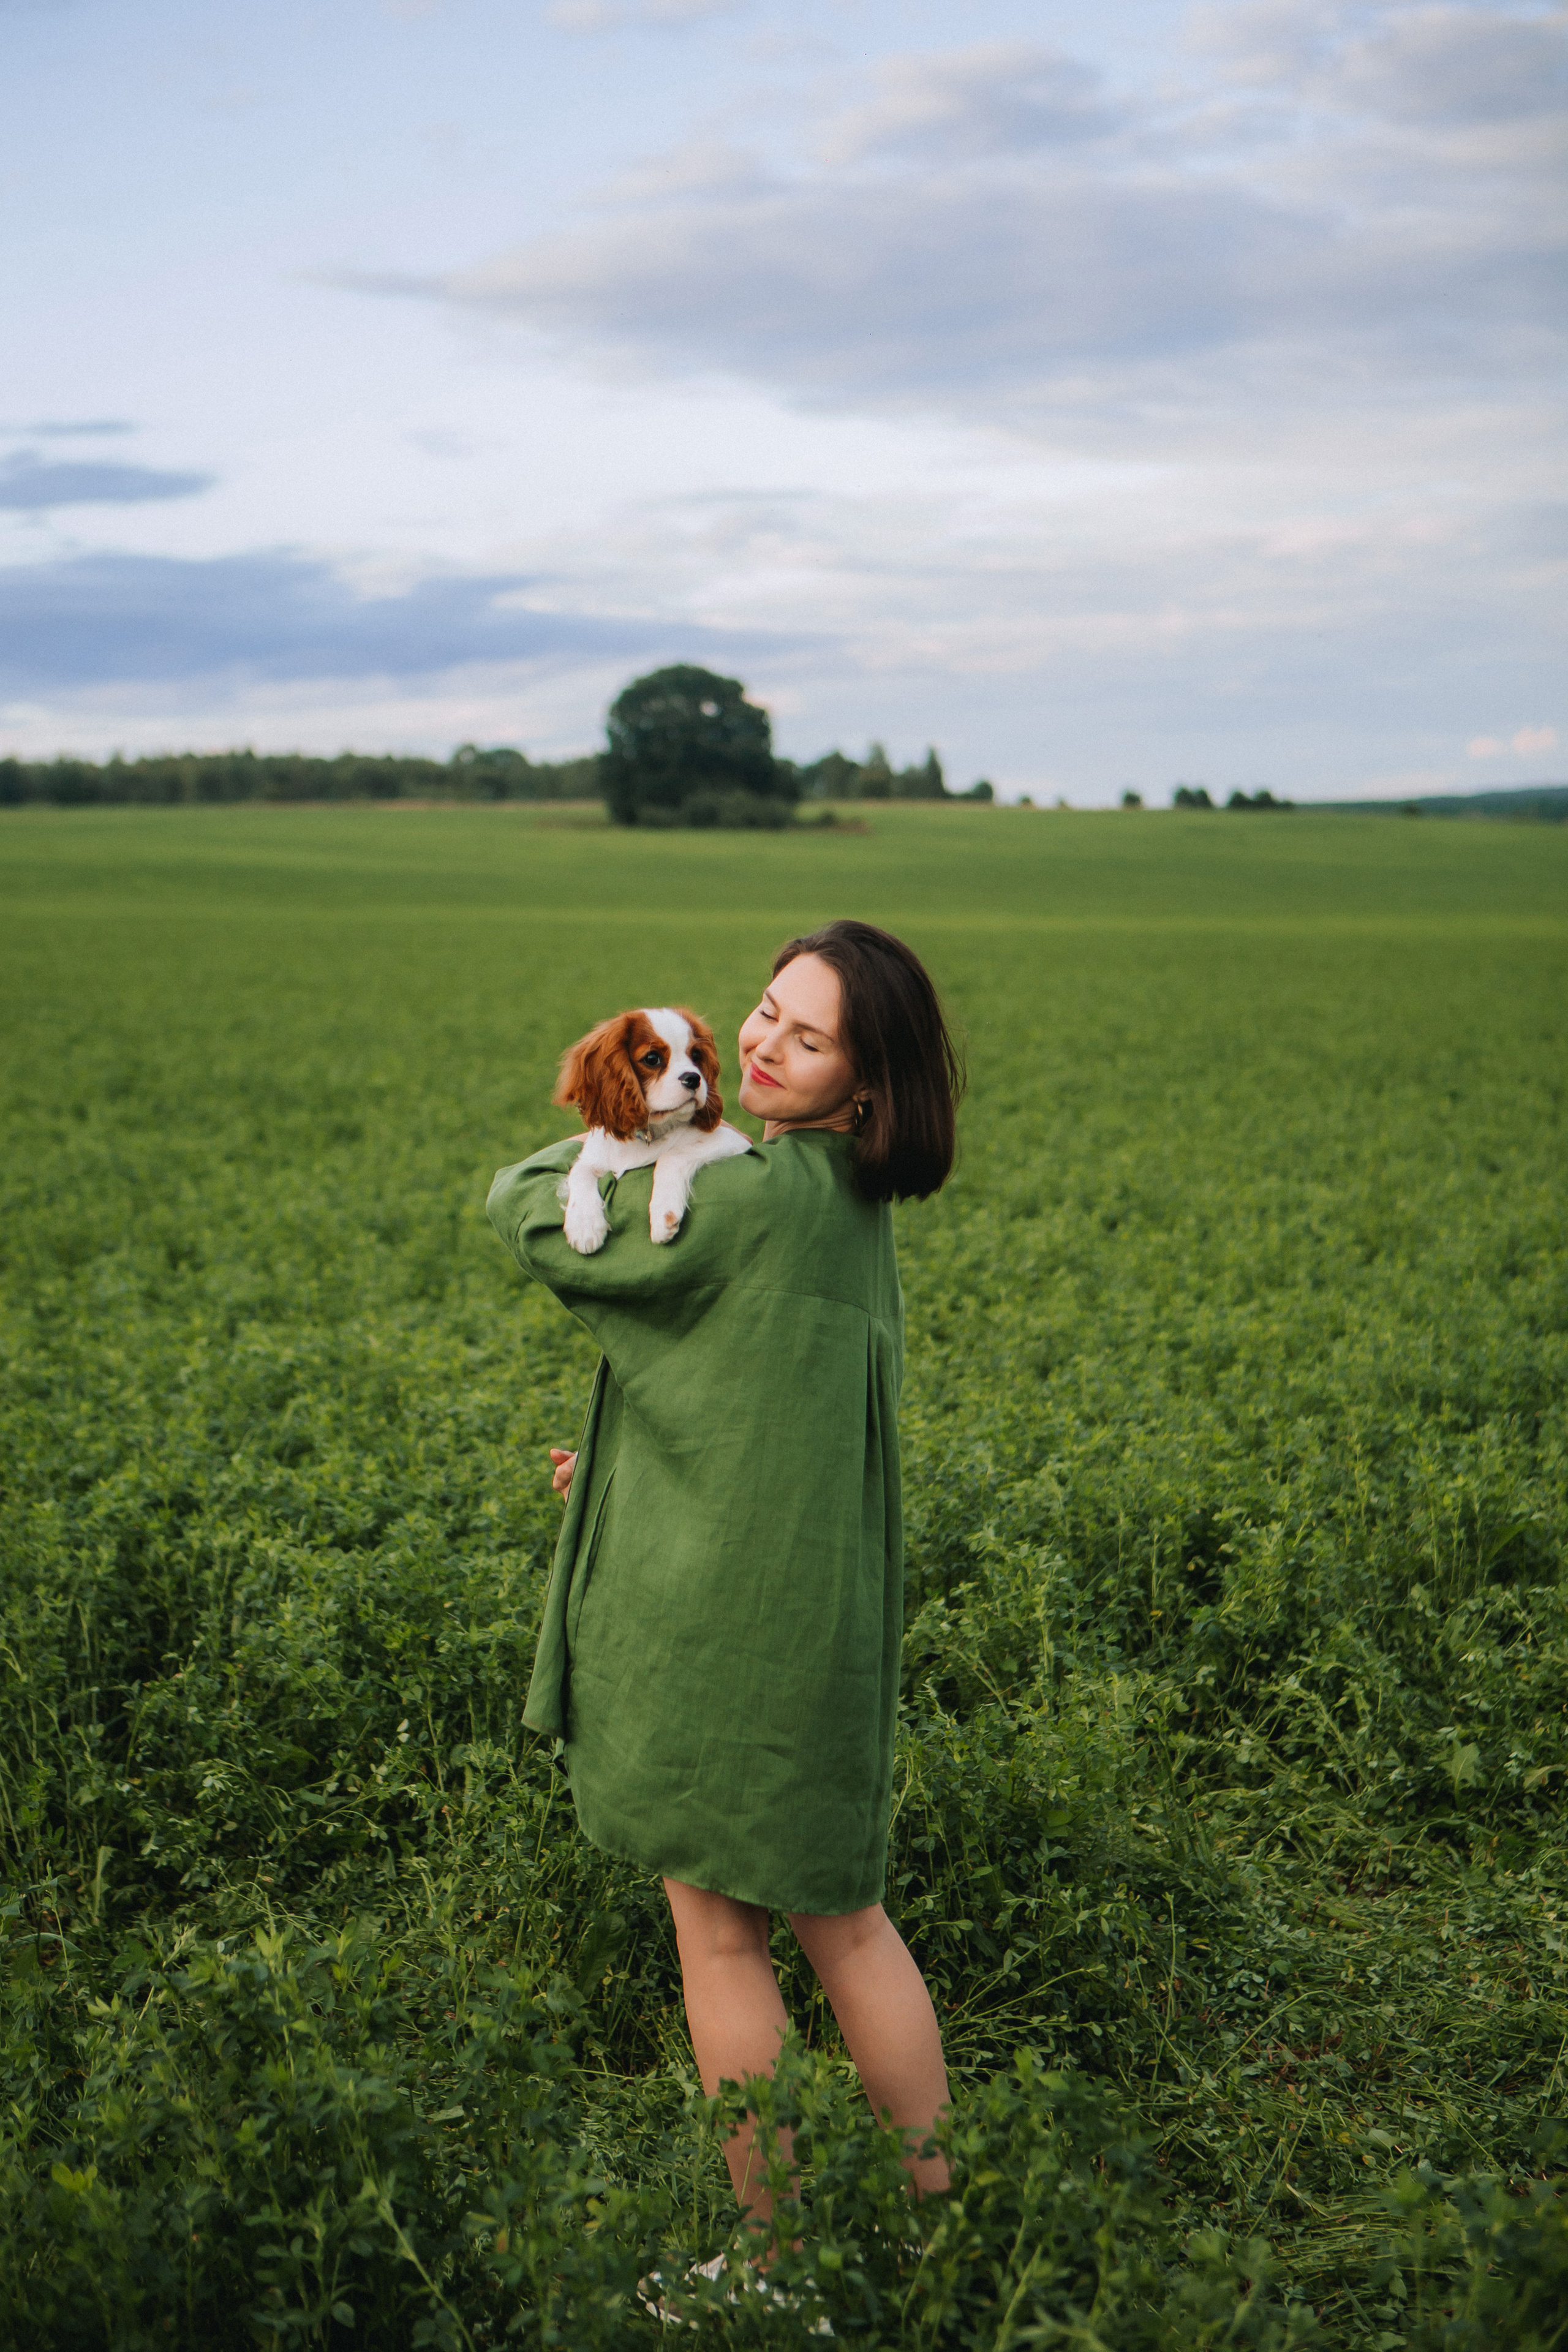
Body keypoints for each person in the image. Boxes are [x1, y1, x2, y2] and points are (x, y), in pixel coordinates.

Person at [486, 919, 964, 2234]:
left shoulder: (742, 1196)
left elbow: (520, 1205)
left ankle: (776, 2262)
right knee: (850, 1926)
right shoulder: (842, 1200)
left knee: (721, 1941)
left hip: (716, 1627)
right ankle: (942, 2228)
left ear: (863, 1087)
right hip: (822, 1616)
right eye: (762, 1009)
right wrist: (631, 1451)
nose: (755, 1044)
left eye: (804, 1039)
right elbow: (749, 1390)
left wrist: (609, 1112)